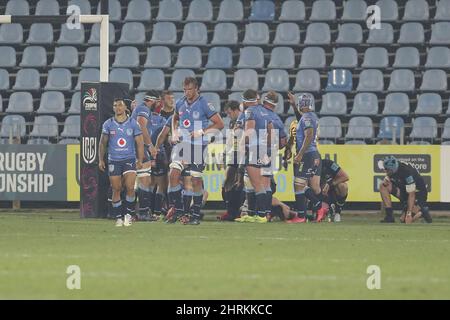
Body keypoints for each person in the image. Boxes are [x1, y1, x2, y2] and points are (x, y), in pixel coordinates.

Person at [166, 77, 224, 225]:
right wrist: (174, 131)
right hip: (182, 145)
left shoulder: (204, 104)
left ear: (196, 88)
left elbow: (220, 123)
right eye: (184, 89)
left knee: (196, 180)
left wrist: (202, 131)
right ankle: (179, 212)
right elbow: (175, 117)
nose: (187, 92)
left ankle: (195, 215)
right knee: (173, 174)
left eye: (189, 89)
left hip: (198, 145)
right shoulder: (180, 103)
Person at [99, 98, 144, 227]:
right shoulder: (108, 124)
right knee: (116, 189)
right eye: (115, 105)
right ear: (113, 108)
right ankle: (118, 217)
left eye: (120, 105)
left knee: (130, 187)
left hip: (129, 159)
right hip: (114, 160)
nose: (117, 107)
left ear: (125, 108)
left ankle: (128, 215)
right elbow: (103, 143)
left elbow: (140, 143)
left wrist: (140, 160)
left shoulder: (133, 123)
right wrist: (101, 159)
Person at [235, 89, 273, 223]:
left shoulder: (249, 111)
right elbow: (270, 130)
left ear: (245, 100)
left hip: (254, 149)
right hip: (263, 149)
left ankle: (261, 215)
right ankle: (253, 215)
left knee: (256, 183)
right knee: (255, 183)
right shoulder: (264, 111)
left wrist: (241, 145)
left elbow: (249, 130)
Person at [291, 93, 328, 222]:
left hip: (307, 155)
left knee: (298, 184)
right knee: (314, 186)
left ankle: (303, 215)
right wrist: (293, 106)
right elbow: (303, 122)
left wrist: (300, 154)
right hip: (314, 154)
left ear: (302, 104)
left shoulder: (306, 117)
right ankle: (321, 210)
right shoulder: (311, 116)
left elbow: (309, 135)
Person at [131, 91, 160, 221]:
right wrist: (150, 146)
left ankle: (131, 211)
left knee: (139, 181)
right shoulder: (144, 109)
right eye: (158, 102)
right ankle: (142, 213)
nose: (159, 105)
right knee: (144, 180)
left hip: (134, 146)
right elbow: (141, 126)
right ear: (152, 101)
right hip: (139, 147)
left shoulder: (139, 108)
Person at [379, 155, 432, 224]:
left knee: (404, 220)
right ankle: (389, 217)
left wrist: (409, 214)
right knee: (383, 185)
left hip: (418, 195)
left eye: (386, 169)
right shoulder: (394, 166)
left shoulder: (407, 172)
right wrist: (386, 178)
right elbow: (388, 177)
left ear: (392, 169)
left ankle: (422, 212)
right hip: (405, 192)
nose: (384, 170)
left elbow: (411, 194)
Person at [218, 100, 245, 221]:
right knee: (227, 184)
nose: (229, 115)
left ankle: (238, 211)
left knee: (240, 185)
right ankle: (231, 212)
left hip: (244, 156)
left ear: (236, 110)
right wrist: (224, 153)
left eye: (230, 113)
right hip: (234, 156)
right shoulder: (232, 123)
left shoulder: (245, 120)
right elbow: (230, 140)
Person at [320, 158, 349, 222]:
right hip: (320, 191)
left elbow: (345, 177)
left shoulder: (328, 163)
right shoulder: (309, 166)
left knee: (343, 186)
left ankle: (338, 211)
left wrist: (330, 184)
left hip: (333, 187)